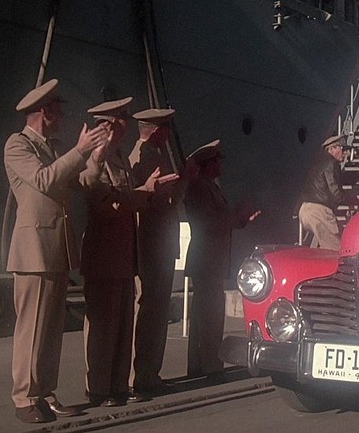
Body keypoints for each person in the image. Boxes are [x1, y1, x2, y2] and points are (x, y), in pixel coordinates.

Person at [4, 79, 108, 423]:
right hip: (33, 250)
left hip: (57, 248)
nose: (62, 116)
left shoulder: (54, 147)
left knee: (50, 331)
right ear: (44, 112)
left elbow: (85, 182)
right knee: (31, 328)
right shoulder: (17, 145)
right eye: (57, 110)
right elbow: (44, 180)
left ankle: (45, 393)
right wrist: (79, 150)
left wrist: (97, 154)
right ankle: (25, 397)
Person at [79, 97, 178, 407]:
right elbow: (108, 204)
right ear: (109, 125)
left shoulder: (119, 156)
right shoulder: (96, 159)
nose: (127, 122)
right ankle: (99, 388)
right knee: (103, 326)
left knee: (121, 325)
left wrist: (144, 192)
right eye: (122, 117)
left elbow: (124, 197)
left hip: (123, 253)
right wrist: (145, 192)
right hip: (104, 253)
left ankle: (117, 386)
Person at [184, 139, 260, 379]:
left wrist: (241, 219)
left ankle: (200, 364)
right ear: (208, 164)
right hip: (206, 259)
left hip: (211, 258)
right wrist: (237, 215)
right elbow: (209, 222)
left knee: (205, 314)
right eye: (217, 160)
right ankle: (210, 366)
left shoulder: (209, 187)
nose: (221, 164)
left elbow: (219, 220)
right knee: (209, 315)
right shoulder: (199, 188)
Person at [128, 108, 181, 395]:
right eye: (167, 129)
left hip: (159, 244)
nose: (169, 134)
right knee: (150, 311)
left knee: (156, 311)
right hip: (152, 244)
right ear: (159, 131)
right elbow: (145, 200)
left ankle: (149, 373)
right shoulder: (142, 157)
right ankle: (142, 376)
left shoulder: (152, 155)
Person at [298, 135, 355, 250]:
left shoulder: (317, 164)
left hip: (304, 211)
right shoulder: (331, 163)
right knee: (336, 249)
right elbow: (336, 193)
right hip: (319, 212)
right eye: (343, 148)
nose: (345, 153)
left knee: (325, 247)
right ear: (332, 149)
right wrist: (354, 201)